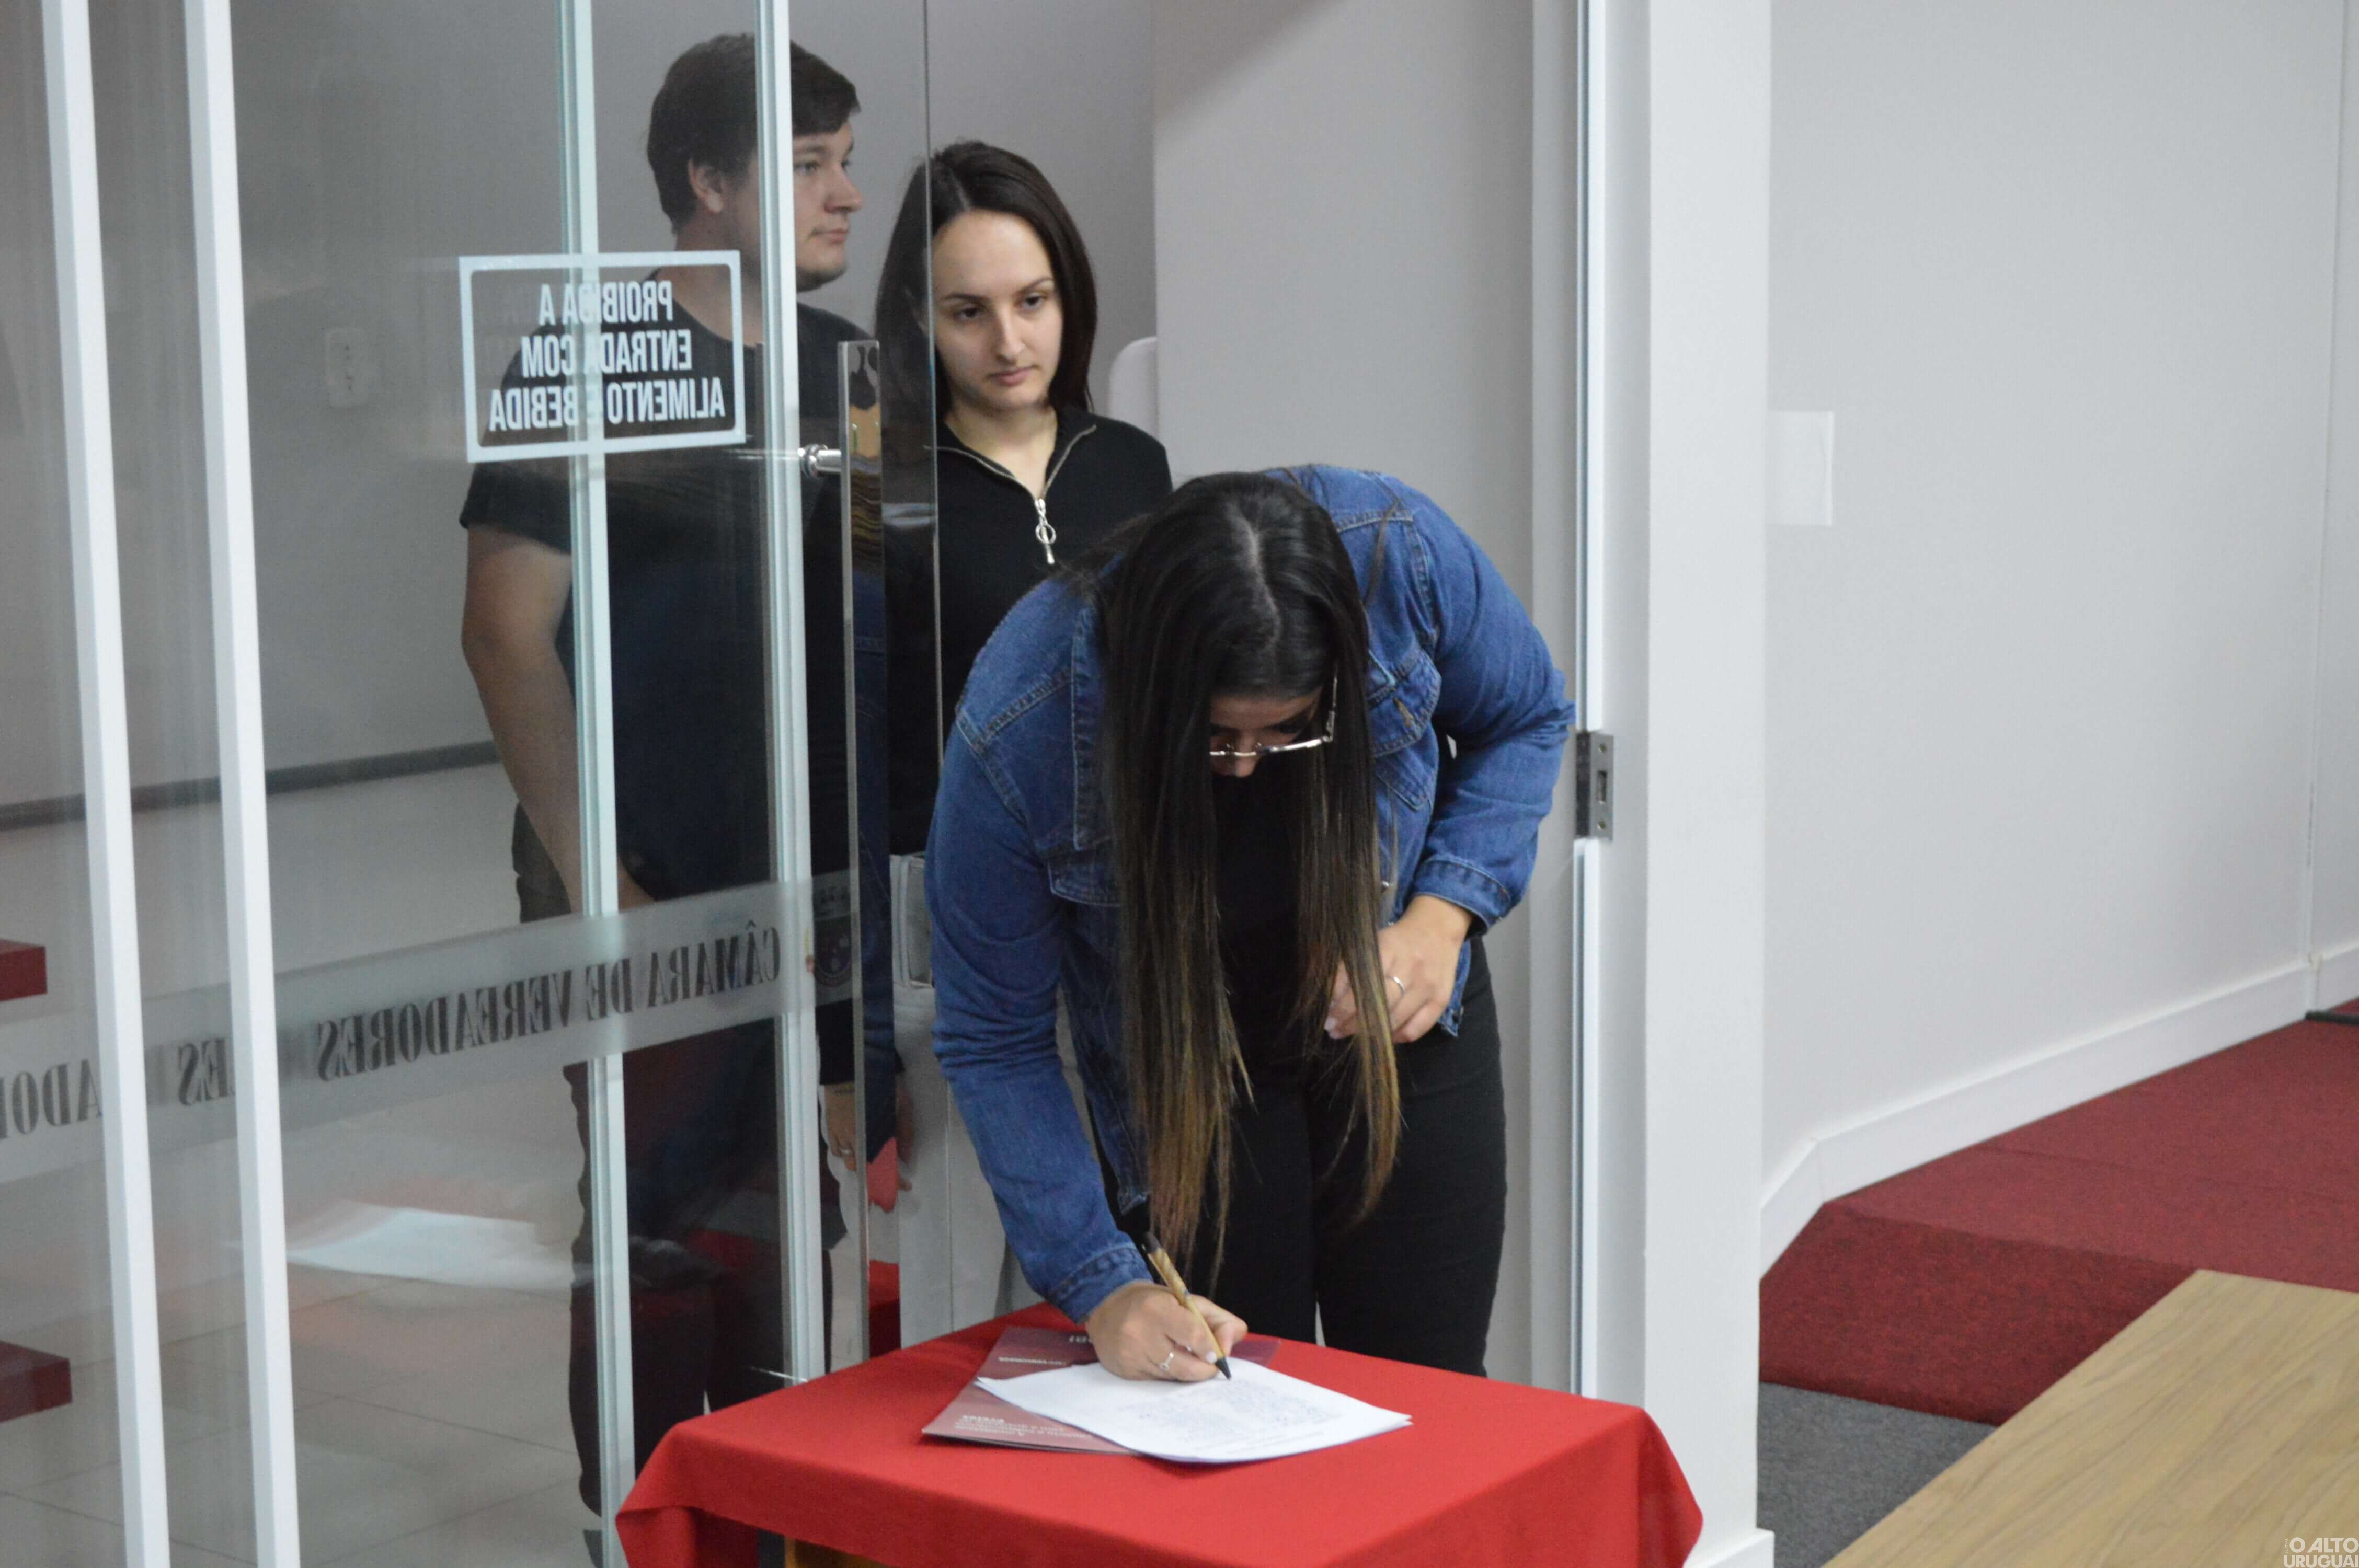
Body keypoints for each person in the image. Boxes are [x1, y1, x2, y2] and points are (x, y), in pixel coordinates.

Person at [456, 34, 889, 1521]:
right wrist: (600, 883)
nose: (848, 195)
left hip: (811, 862)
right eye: (810, 164)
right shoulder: (591, 352)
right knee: (655, 1213)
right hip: (635, 858)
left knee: (795, 1215)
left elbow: (879, 609)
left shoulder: (850, 368)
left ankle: (769, 1507)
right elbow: (505, 633)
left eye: (849, 159)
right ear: (709, 183)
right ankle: (641, 1521)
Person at [925, 469, 1575, 1381]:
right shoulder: (1023, 724)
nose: (1243, 769)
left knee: (1425, 1395)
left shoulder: (1400, 556)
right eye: (1215, 737)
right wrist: (1106, 1286)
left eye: (1286, 735)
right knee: (1235, 1408)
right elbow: (995, 1039)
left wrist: (1441, 918)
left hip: (1399, 1027)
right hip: (1193, 1071)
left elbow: (1529, 716)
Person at [866, 142, 1172, 1338]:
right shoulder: (885, 485)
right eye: (968, 311)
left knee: (1129, 1245)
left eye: (1033, 301)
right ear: (918, 320)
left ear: (1070, 299)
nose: (1008, 341)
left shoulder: (1132, 467)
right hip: (945, 910)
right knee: (964, 1278)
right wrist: (854, 1040)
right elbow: (851, 741)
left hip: (1120, 905)